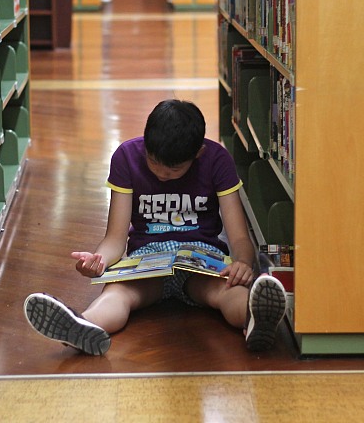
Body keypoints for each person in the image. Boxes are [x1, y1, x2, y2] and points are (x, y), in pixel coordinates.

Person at [24, 99, 287, 355]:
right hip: (145, 261)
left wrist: (242, 262)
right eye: (153, 163)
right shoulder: (127, 157)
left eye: (173, 171)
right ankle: (83, 325)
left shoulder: (217, 160)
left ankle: (254, 319)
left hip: (202, 260)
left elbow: (239, 235)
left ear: (197, 154)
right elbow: (115, 238)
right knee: (118, 294)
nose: (161, 174)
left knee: (228, 292)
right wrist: (98, 260)